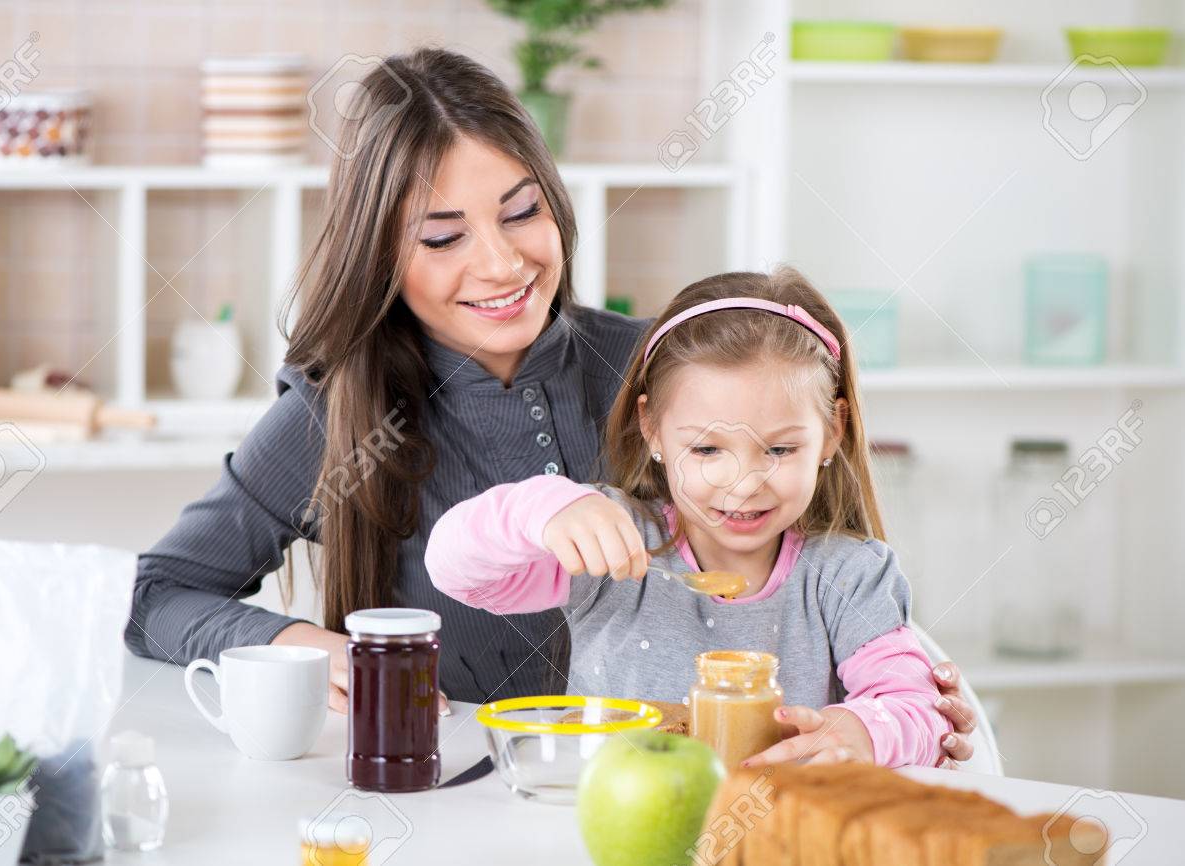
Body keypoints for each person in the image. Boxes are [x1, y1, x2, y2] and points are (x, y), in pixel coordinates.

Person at [124, 48, 977, 766]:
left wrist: (900, 714)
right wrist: (300, 646)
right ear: (379, 252)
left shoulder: (667, 374)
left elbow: (822, 574)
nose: (500, 264)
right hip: (463, 808)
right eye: (443, 236)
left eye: (522, 213)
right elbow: (156, 594)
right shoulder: (337, 412)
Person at [427, 268, 953, 767]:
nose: (744, 482)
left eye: (779, 450)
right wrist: (540, 508)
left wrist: (861, 729)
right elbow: (456, 569)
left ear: (832, 432)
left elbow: (915, 706)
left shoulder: (849, 575)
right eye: (706, 450)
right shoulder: (615, 540)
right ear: (652, 427)